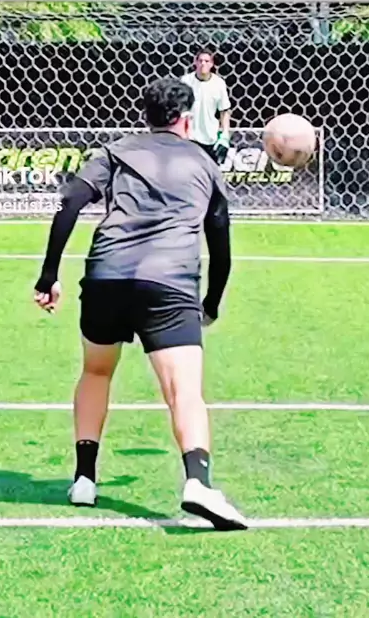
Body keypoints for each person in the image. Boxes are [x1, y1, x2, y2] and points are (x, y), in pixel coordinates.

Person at [34, 77, 247, 531]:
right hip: (168, 283)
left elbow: (70, 203)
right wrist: (211, 302)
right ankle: (198, 483)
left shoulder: (116, 151)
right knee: (184, 391)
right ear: (186, 119)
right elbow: (221, 244)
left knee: (96, 372)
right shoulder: (204, 163)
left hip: (106, 276)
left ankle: (84, 479)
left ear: (145, 115)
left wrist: (49, 275)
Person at [181, 50, 231, 165]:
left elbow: (224, 110)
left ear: (212, 64)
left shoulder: (219, 83)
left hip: (210, 137)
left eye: (207, 61)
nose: (203, 63)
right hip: (189, 137)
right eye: (200, 61)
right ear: (195, 62)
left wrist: (225, 135)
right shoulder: (186, 81)